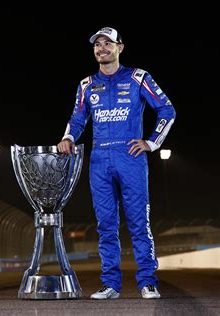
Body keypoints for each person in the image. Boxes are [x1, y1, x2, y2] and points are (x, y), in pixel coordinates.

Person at [57, 27, 176, 300]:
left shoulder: (138, 77)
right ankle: (110, 284)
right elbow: (77, 119)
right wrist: (67, 137)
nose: (101, 48)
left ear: (120, 48)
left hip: (131, 156)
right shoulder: (86, 84)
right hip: (99, 159)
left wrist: (152, 142)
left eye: (107, 43)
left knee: (138, 222)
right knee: (105, 224)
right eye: (97, 44)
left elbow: (167, 109)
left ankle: (147, 281)